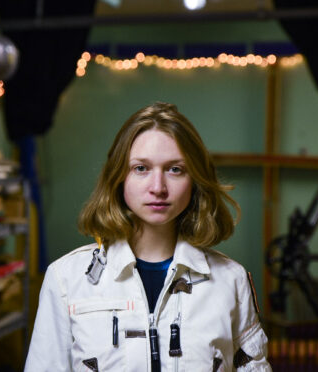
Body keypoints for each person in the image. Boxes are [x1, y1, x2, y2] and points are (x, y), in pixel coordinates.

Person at [25, 102, 272, 371]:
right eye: (141, 168)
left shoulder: (231, 280)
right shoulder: (65, 280)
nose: (158, 187)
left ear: (195, 180)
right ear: (119, 177)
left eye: (175, 169)